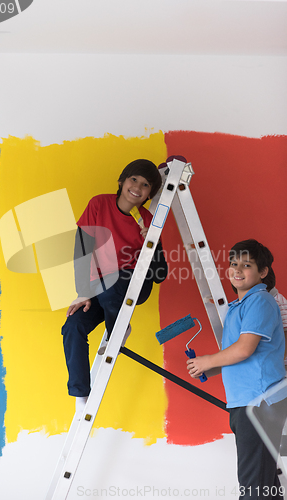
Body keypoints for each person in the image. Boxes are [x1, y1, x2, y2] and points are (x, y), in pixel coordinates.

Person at [62, 159, 169, 416]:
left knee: (113, 284)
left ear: (149, 194)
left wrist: (151, 243)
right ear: (122, 181)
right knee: (73, 325)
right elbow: (82, 250)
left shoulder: (147, 220)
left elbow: (160, 274)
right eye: (134, 180)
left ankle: (117, 329)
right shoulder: (99, 204)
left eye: (145, 185)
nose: (138, 187)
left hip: (133, 285)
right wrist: (83, 291)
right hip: (100, 289)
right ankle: (81, 392)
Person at [187, 239, 286, 499]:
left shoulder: (261, 301)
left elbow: (244, 349)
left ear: (263, 272)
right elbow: (241, 356)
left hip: (259, 403)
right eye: (233, 264)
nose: (237, 270)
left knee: (254, 485)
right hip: (247, 402)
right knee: (263, 483)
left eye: (247, 265)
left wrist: (207, 361)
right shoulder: (240, 306)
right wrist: (211, 369)